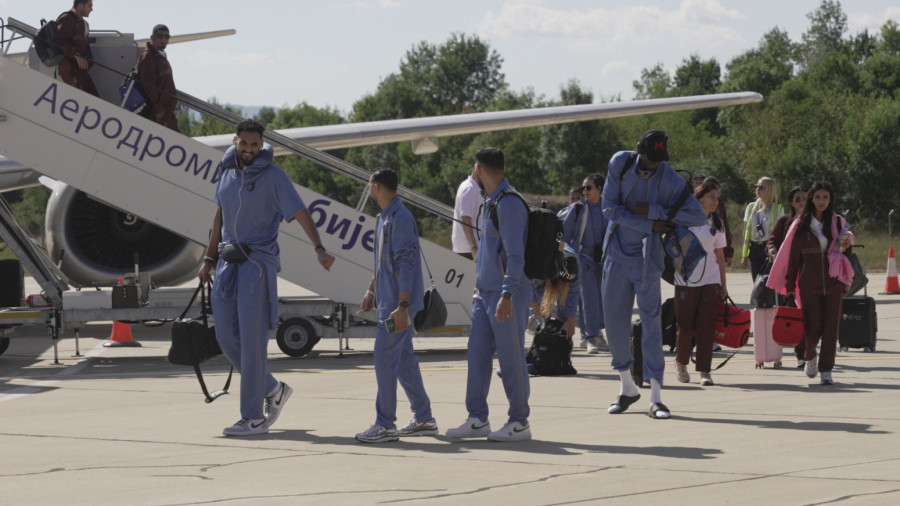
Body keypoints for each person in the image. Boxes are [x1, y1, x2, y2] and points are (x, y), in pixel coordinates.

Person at [198, 120, 335, 436]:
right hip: (226, 263)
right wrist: (208, 257)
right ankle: (273, 388)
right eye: (244, 143)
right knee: (225, 336)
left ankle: (253, 417)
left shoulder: (274, 177)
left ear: (261, 145)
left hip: (256, 264)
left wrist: (319, 248)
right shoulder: (227, 172)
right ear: (235, 141)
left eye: (254, 145)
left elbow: (300, 212)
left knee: (252, 341)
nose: (249, 150)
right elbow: (219, 217)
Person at [601, 130, 705, 419]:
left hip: (648, 261)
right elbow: (609, 208)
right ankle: (627, 388)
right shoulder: (620, 163)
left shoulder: (670, 178)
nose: (654, 166)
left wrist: (658, 212)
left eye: (659, 160)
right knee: (614, 324)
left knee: (651, 325)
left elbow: (697, 215)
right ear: (640, 152)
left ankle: (656, 396)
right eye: (650, 159)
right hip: (616, 256)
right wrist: (649, 223)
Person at [446, 147, 532, 442]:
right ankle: (477, 418)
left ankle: (519, 421)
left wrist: (507, 294)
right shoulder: (490, 201)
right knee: (477, 354)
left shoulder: (509, 203)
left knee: (511, 358)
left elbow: (516, 256)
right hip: (485, 292)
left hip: (506, 293)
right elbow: (488, 250)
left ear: (479, 169)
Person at [356, 169, 436, 443]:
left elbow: (406, 263)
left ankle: (385, 424)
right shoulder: (384, 218)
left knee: (385, 360)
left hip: (396, 307)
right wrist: (372, 289)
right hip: (389, 302)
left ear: (377, 187)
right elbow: (383, 260)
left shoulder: (400, 218)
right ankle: (423, 418)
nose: (368, 190)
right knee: (403, 363)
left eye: (369, 185)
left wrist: (402, 306)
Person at [772, 181, 853, 386]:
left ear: (830, 200)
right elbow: (793, 259)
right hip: (808, 285)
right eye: (817, 197)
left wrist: (846, 244)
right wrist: (790, 286)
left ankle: (826, 370)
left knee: (831, 329)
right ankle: (810, 356)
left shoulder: (838, 222)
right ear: (811, 199)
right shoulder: (801, 224)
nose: (821, 201)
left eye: (825, 197)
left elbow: (846, 253)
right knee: (812, 327)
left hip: (834, 283)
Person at [673, 180, 728, 386]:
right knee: (685, 326)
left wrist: (723, 284)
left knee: (707, 327)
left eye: (717, 198)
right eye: (711, 197)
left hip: (710, 281)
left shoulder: (717, 223)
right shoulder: (685, 219)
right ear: (700, 198)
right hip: (686, 280)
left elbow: (720, 256)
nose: (715, 201)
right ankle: (681, 364)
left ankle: (705, 370)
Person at [562, 173, 609, 354]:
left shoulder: (609, 207)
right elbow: (565, 236)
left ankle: (594, 333)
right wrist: (566, 258)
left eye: (588, 188)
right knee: (589, 299)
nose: (585, 191)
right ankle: (591, 337)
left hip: (604, 261)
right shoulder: (578, 209)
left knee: (603, 299)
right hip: (584, 260)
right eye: (583, 188)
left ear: (599, 189)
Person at [766, 185, 808, 368]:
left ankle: (808, 352)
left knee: (810, 315)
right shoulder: (784, 222)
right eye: (797, 199)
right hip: (789, 275)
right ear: (791, 202)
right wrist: (774, 253)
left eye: (805, 199)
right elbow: (772, 241)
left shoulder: (814, 221)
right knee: (795, 313)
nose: (801, 202)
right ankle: (801, 355)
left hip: (808, 273)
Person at [136, 24, 179, 131]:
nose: (163, 40)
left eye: (166, 37)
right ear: (152, 38)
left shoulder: (160, 55)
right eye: (160, 36)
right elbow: (148, 86)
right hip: (157, 115)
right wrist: (159, 110)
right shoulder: (148, 57)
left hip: (167, 113)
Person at [741, 177, 784, 281]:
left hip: (769, 249)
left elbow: (782, 233)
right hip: (754, 249)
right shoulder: (750, 207)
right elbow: (745, 232)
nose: (757, 189)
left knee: (769, 283)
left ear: (769, 190)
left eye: (761, 187)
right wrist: (744, 256)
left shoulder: (778, 208)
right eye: (756, 187)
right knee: (757, 283)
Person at [54, 0, 98, 97]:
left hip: (81, 72)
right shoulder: (67, 18)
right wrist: (76, 55)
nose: (92, 9)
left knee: (95, 99)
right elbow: (59, 41)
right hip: (69, 73)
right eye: (89, 6)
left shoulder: (83, 23)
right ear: (80, 6)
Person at [451, 167, 482, 260]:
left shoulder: (468, 186)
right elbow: (465, 219)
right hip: (468, 250)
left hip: (466, 248)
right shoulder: (470, 189)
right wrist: (474, 247)